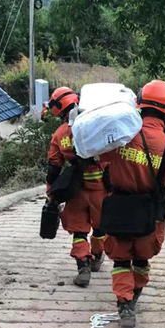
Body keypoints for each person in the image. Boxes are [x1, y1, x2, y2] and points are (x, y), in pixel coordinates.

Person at [98, 79, 165, 328]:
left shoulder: (119, 136)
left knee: (121, 261)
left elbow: (97, 160)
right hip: (150, 217)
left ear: (139, 105)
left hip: (117, 210)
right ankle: (133, 299)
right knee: (141, 259)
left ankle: (124, 306)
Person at [46, 87, 107, 287]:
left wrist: (51, 193)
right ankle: (97, 257)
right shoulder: (98, 125)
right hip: (101, 188)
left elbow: (54, 168)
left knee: (80, 231)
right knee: (100, 227)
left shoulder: (60, 134)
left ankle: (83, 268)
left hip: (76, 189)